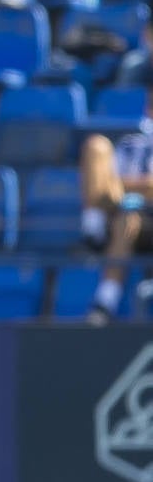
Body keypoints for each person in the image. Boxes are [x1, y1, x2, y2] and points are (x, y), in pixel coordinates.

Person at [80, 80, 153, 326]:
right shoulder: (130, 143)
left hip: (147, 218)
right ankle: (93, 226)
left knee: (128, 216)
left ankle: (105, 300)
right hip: (120, 210)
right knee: (96, 145)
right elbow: (105, 180)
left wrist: (120, 186)